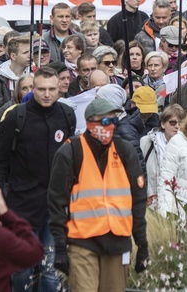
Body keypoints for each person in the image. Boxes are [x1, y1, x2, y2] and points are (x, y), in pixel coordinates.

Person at [48, 98, 149, 290]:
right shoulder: (70, 152)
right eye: (104, 121)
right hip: (82, 243)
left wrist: (142, 245)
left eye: (114, 121)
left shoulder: (125, 151)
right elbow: (57, 202)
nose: (110, 126)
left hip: (118, 243)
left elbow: (138, 201)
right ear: (90, 122)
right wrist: (60, 247)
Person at [0, 66, 76, 291]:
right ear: (33, 89)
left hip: (55, 204)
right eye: (41, 89)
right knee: (22, 269)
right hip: (22, 203)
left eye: (51, 89)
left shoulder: (67, 116)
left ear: (59, 89)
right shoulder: (16, 117)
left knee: (50, 268)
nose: (47, 94)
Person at [140, 104, 185, 209]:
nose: (177, 126)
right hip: (152, 203)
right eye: (172, 122)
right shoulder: (147, 142)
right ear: (163, 124)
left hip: (177, 204)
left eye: (180, 123)